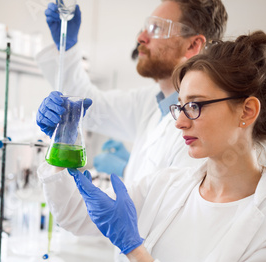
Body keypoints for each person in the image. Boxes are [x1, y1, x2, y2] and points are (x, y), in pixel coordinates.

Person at [37, 31, 266, 262]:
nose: (180, 121)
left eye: (195, 105)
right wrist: (60, 139)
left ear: (246, 110)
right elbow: (75, 217)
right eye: (179, 106)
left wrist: (133, 248)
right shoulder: (168, 183)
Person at [36, 0, 228, 182]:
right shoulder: (152, 102)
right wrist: (68, 48)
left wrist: (126, 170)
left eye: (157, 28)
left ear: (192, 45)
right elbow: (89, 105)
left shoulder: (203, 128)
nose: (141, 37)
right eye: (146, 27)